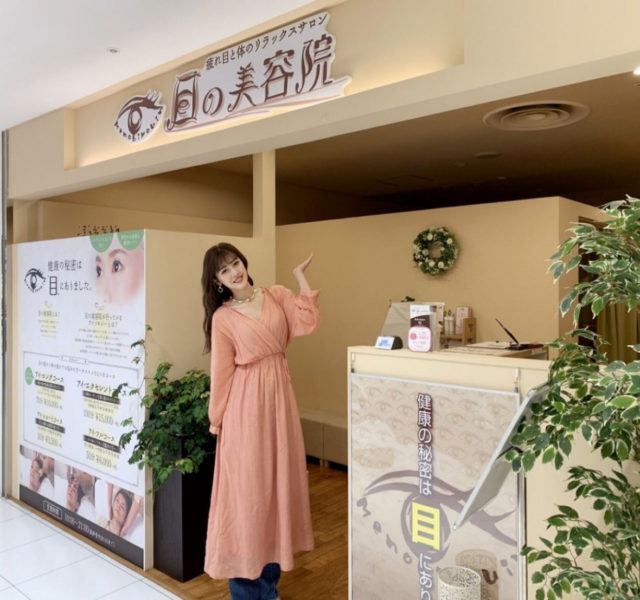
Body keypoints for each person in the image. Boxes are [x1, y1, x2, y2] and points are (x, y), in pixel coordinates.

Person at [201, 242, 320, 600]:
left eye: (235, 263)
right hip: (244, 407)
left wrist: (300, 278)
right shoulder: (223, 318)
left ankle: (268, 590)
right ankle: (246, 593)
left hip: (279, 401)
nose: (234, 272)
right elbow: (221, 373)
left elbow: (307, 322)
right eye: (224, 271)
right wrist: (217, 419)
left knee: (275, 493)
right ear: (218, 281)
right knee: (247, 497)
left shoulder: (277, 295)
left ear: (244, 262)